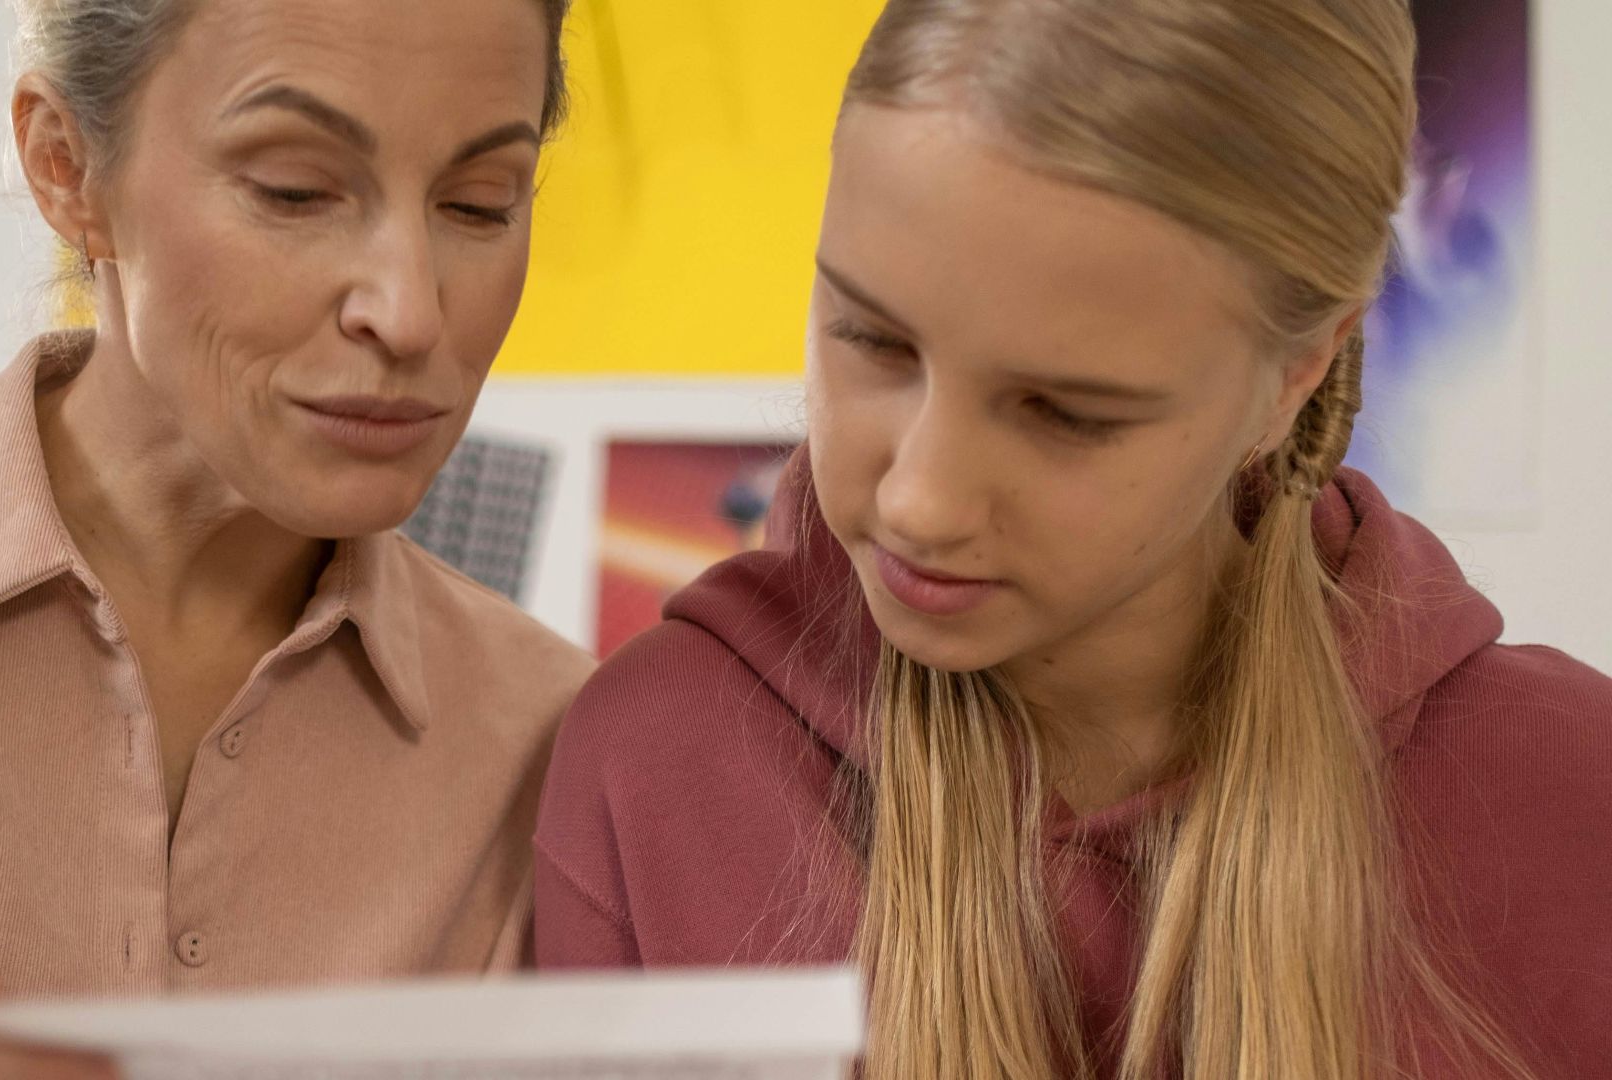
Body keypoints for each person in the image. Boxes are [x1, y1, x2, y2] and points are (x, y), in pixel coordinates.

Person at [533, 1, 1612, 1077]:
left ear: (1300, 375)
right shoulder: (656, 759)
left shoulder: (1573, 793)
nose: (920, 502)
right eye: (869, 338)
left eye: (1066, 413)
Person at [0, 0, 592, 1074]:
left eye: (480, 204)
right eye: (294, 191)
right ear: (66, 166)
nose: (408, 313)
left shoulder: (556, 745)